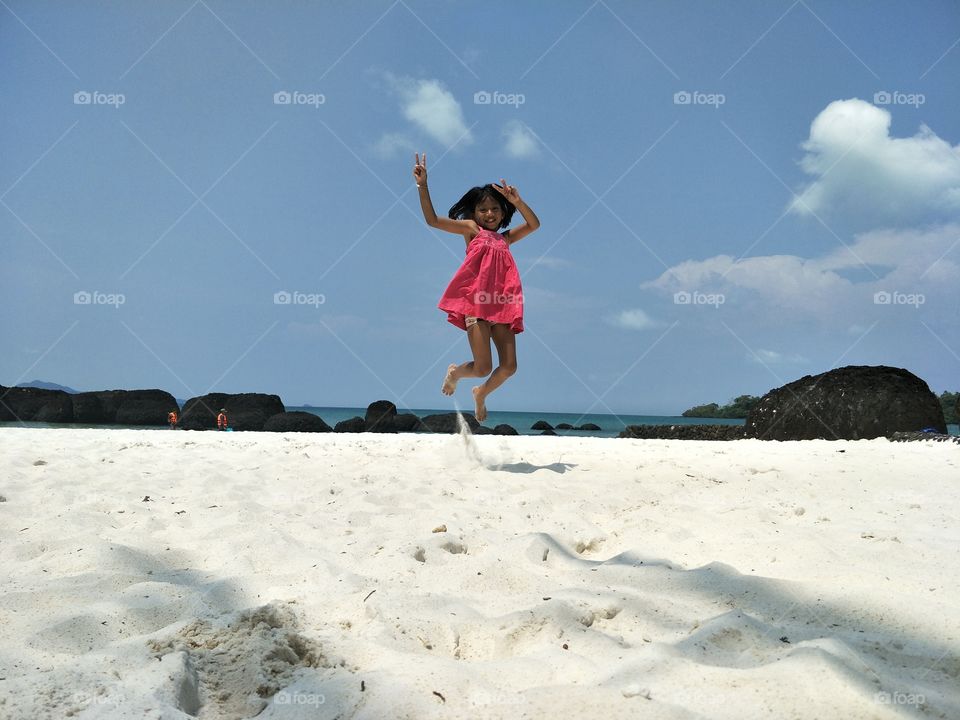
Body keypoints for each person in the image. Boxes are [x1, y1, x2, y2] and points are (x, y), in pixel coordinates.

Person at [414, 152, 540, 422]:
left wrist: (517, 200)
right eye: (483, 209)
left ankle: (480, 394)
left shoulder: (505, 239)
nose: (490, 214)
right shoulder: (471, 230)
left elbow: (534, 224)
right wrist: (423, 185)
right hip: (477, 306)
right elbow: (432, 220)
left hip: (502, 308)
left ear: (503, 211)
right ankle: (455, 373)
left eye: (495, 209)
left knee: (509, 367)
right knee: (483, 366)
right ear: (474, 213)